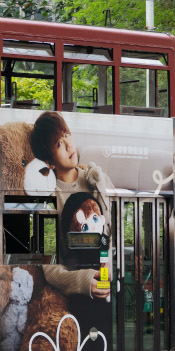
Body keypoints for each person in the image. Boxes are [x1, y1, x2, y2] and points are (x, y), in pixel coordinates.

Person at [29, 111, 114, 300]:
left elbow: (117, 230)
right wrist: (83, 281)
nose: (69, 145)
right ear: (49, 160)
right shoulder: (48, 200)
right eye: (59, 143)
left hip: (108, 281)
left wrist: (107, 262)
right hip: (73, 297)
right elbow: (50, 267)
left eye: (66, 134)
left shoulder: (97, 181)